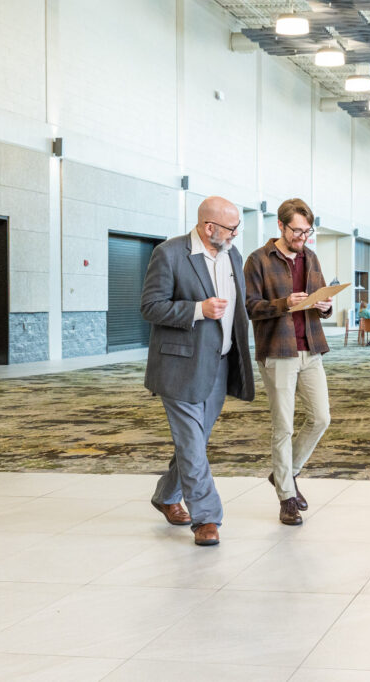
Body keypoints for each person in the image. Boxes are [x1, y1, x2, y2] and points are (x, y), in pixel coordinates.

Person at [140, 196, 255, 547]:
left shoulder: (231, 255)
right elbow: (150, 306)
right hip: (179, 365)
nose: (236, 235)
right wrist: (197, 309)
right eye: (231, 229)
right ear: (209, 228)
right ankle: (207, 517)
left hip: (219, 364)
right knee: (191, 443)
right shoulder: (170, 253)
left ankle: (166, 494)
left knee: (195, 443)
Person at [244, 198, 333, 526]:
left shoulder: (311, 257)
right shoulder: (258, 260)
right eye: (297, 231)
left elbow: (322, 297)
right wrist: (283, 303)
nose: (303, 237)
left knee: (321, 417)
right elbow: (250, 307)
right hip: (278, 351)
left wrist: (324, 306)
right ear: (281, 226)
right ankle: (286, 497)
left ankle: (286, 473)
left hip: (310, 348)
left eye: (307, 231)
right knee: (283, 426)